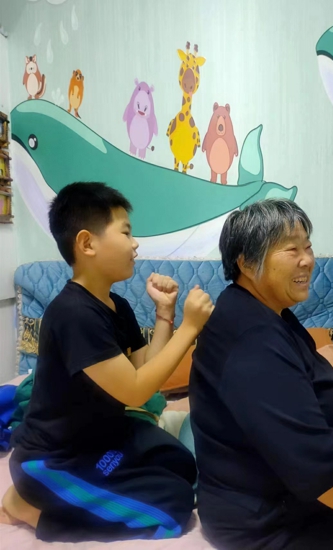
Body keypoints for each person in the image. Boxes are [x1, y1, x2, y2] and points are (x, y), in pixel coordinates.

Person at [189, 198, 333, 550]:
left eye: (307, 246)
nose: (307, 259)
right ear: (246, 262)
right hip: (274, 522)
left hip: (324, 479)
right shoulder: (251, 341)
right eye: (291, 249)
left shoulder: (273, 315)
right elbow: (323, 474)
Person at [0, 182, 214, 543]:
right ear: (87, 243)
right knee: (174, 506)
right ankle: (27, 508)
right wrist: (190, 328)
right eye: (126, 232)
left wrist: (165, 314)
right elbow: (135, 392)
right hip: (56, 459)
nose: (135, 243)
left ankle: (89, 491)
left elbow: (143, 370)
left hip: (105, 439)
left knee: (182, 467)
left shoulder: (117, 306)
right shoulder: (72, 314)